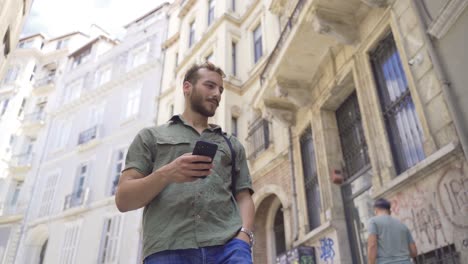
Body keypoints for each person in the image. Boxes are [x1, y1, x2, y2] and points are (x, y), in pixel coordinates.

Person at [115, 62, 255, 264]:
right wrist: (167, 174)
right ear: (187, 87)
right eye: (210, 86)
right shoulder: (150, 137)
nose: (217, 94)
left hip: (228, 250)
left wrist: (244, 238)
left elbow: (244, 196)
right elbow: (124, 200)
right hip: (168, 250)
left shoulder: (231, 144)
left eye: (220, 90)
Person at [367, 198, 418, 264]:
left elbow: (372, 245)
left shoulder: (373, 222)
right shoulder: (402, 225)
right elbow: (414, 252)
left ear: (376, 210)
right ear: (389, 211)